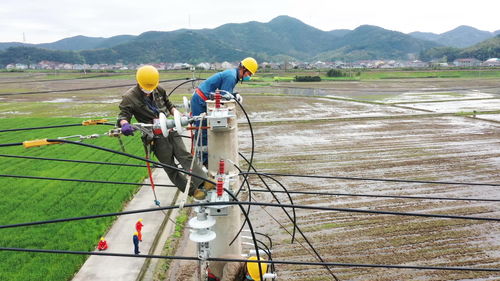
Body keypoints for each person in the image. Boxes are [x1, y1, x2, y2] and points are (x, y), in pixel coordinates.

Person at [118, 65, 212, 199]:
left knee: (185, 155)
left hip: (169, 128)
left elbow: (169, 105)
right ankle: (192, 191)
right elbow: (123, 115)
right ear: (139, 82)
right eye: (146, 88)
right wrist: (125, 124)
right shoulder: (129, 97)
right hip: (155, 137)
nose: (149, 91)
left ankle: (203, 182)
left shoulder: (158, 89)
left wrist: (178, 116)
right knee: (170, 167)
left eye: (151, 88)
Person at [191, 57, 258, 165]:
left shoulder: (233, 75)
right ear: (243, 69)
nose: (248, 77)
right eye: (249, 74)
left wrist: (235, 95)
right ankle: (203, 162)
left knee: (205, 130)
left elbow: (225, 93)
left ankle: (205, 159)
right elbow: (224, 99)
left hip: (202, 99)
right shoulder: (231, 77)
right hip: (200, 101)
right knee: (202, 130)